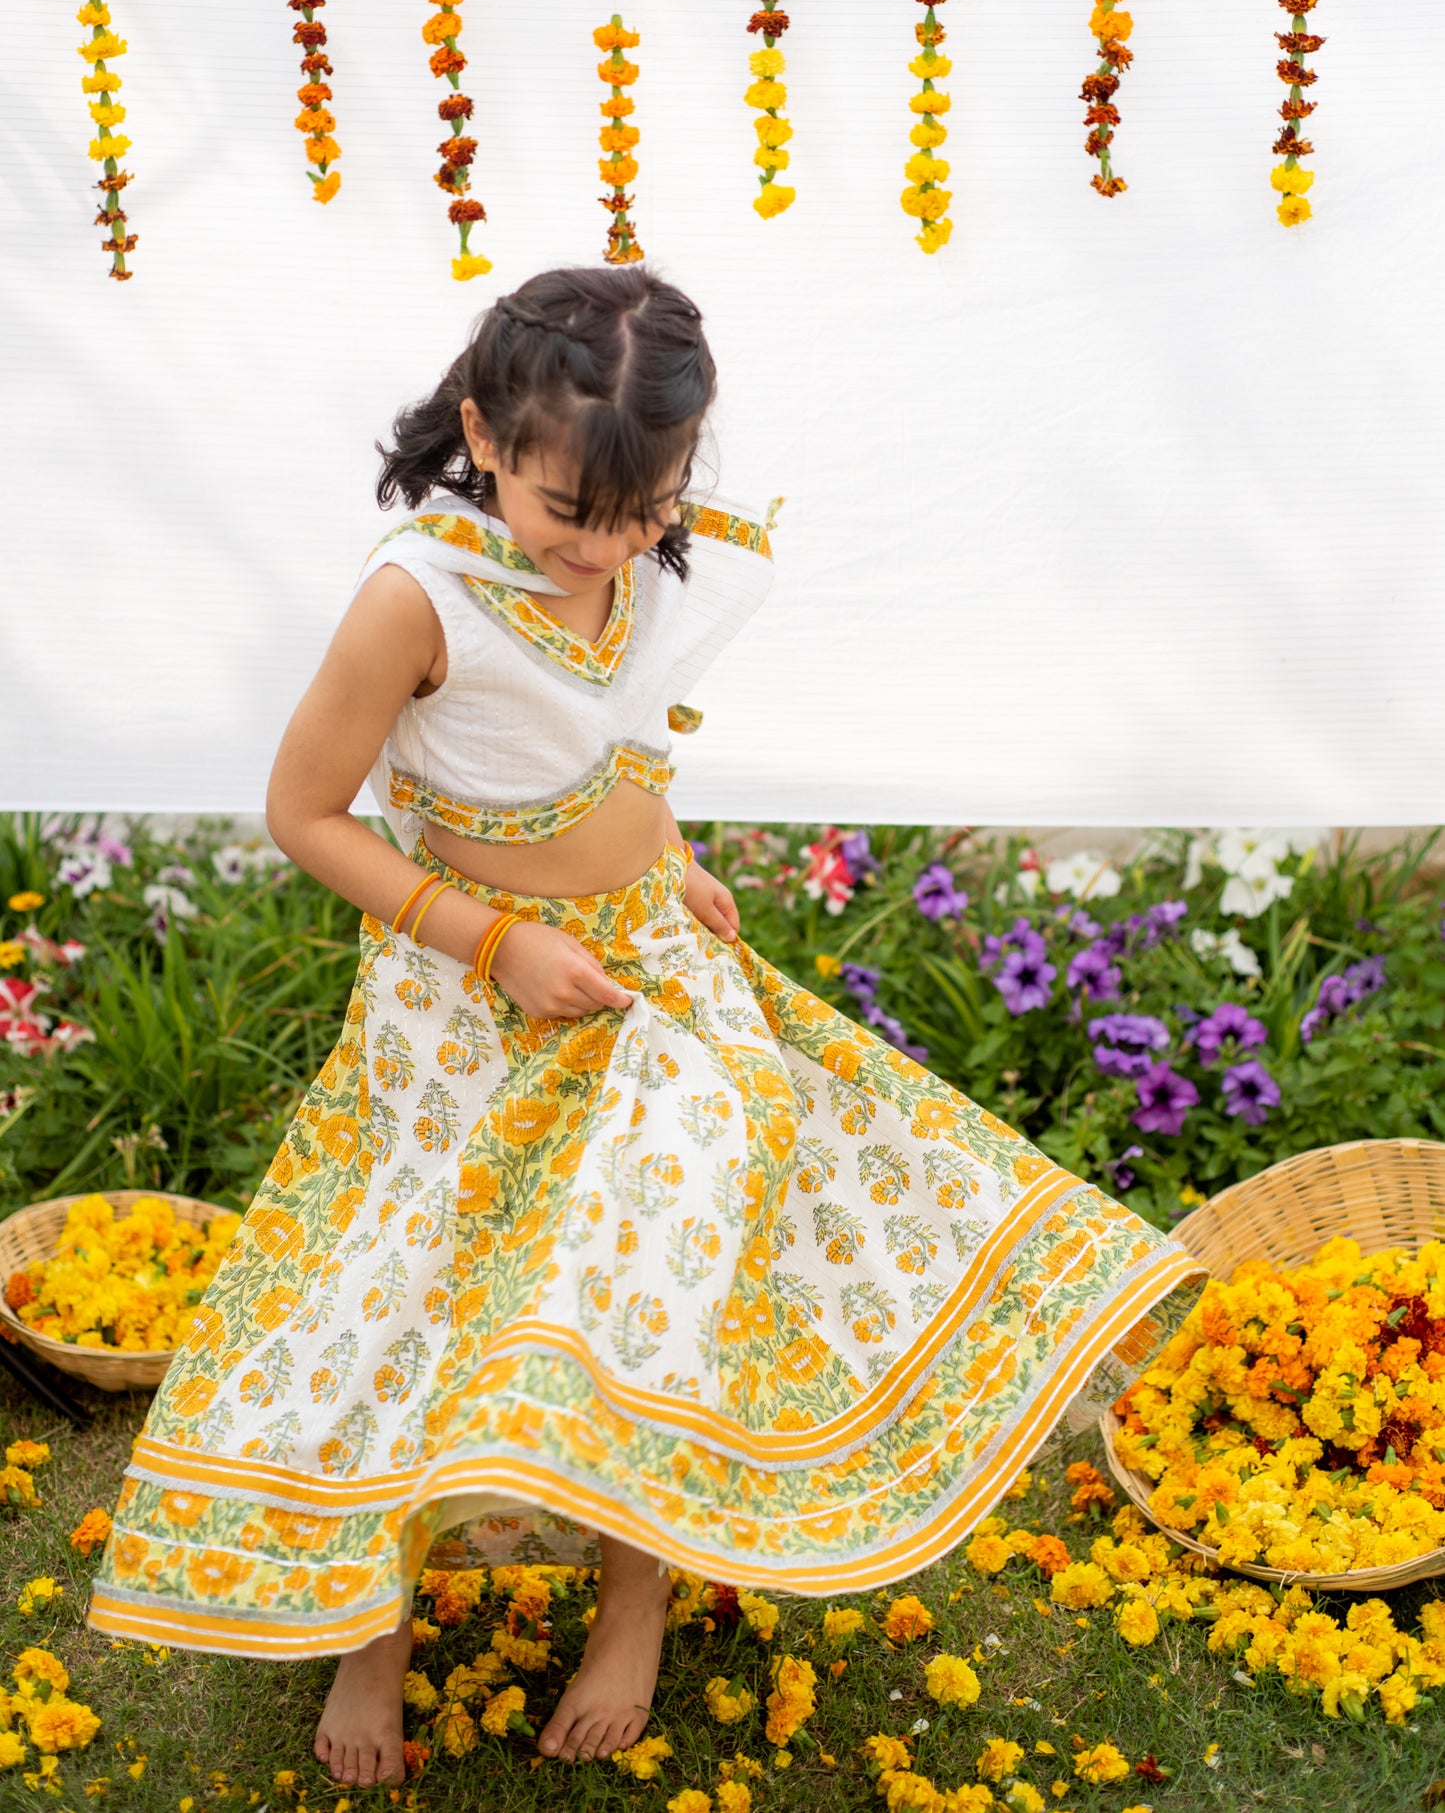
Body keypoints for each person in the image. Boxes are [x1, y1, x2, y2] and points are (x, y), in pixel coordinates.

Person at [85, 262, 1206, 1787]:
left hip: (644, 977)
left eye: (646, 511)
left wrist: (671, 864)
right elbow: (306, 811)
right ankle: (371, 1623)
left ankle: (637, 1589)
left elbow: (608, 742)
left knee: (664, 1269)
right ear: (482, 435)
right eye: (570, 514)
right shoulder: (420, 598)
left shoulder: (645, 555)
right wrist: (496, 937)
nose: (606, 545)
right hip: (467, 1006)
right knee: (430, 1290)